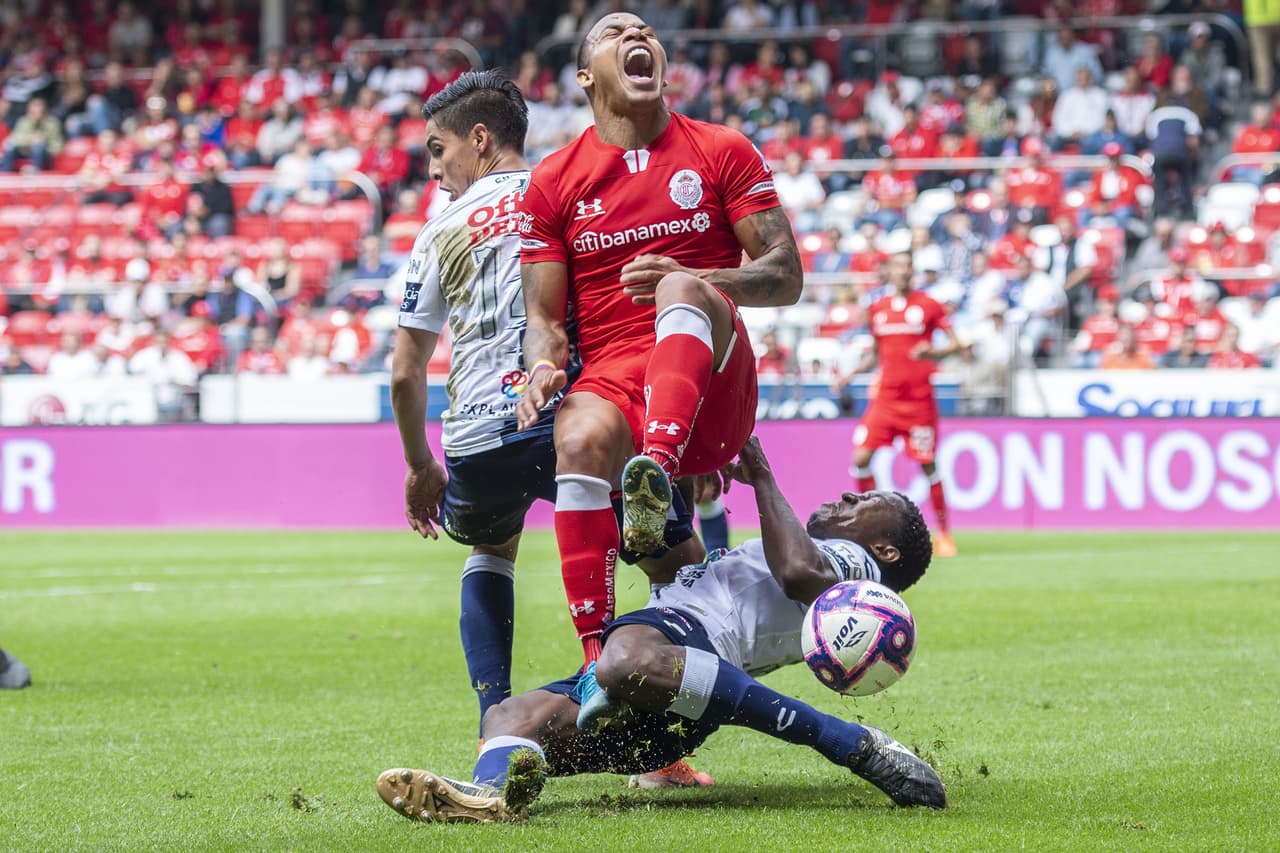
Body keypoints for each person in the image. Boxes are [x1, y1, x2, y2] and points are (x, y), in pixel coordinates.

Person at [391, 72, 708, 793]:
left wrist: (419, 466)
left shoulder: (438, 231)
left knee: (490, 547)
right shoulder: (567, 193)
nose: (434, 170)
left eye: (438, 150)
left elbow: (407, 371)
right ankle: (658, 755)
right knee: (681, 569)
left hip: (473, 438)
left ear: (480, 139)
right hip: (559, 415)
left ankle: (492, 728)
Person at [375, 437, 945, 823]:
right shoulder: (839, 563)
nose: (848, 495)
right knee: (510, 720)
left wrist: (762, 474)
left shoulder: (860, 573)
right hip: (674, 714)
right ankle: (490, 795)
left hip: (683, 641)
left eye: (867, 501)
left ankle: (850, 743)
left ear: (885, 547)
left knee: (621, 661)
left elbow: (801, 575)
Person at [515, 12, 803, 667]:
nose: (637, 37)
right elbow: (546, 319)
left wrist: (697, 275)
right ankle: (595, 662)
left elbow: (786, 275)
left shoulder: (721, 148)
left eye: (645, 30)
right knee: (577, 436)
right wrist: (539, 368)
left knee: (679, 290)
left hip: (714, 383)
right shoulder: (554, 181)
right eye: (616, 33)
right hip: (618, 381)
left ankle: (659, 470)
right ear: (586, 76)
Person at [834, 252, 962, 558]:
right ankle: (872, 526)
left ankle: (944, 534)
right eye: (899, 267)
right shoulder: (878, 309)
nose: (904, 272)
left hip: (918, 403)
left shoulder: (929, 306)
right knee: (861, 458)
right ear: (889, 272)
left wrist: (933, 353)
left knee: (928, 464)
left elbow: (959, 343)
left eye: (908, 267)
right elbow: (876, 352)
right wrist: (850, 374)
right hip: (886, 400)